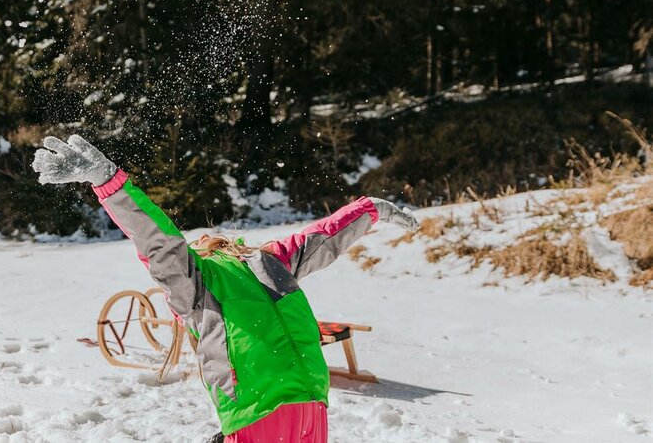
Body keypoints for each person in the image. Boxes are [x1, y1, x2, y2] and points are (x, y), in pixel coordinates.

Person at [32, 135, 419, 443]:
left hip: (258, 403)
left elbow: (158, 240)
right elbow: (323, 237)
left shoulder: (197, 282)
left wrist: (108, 181)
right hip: (309, 399)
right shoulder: (270, 261)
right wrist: (369, 209)